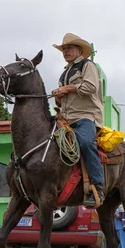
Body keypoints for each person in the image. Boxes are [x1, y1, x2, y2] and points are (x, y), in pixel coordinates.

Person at [51, 33, 104, 208]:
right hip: (66, 118)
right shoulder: (64, 73)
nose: (65, 51)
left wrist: (66, 88)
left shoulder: (88, 65)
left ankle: (98, 185)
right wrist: (58, 98)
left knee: (85, 143)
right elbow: (64, 99)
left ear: (79, 50)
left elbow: (90, 87)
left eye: (69, 48)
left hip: (86, 116)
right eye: (63, 49)